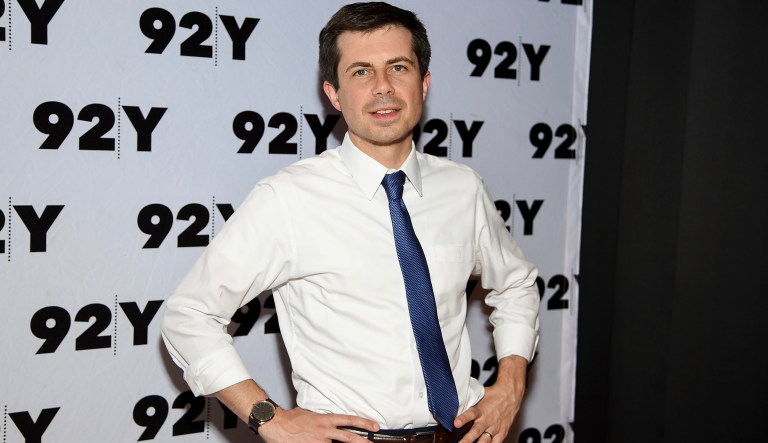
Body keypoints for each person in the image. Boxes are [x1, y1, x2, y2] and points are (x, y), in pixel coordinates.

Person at [161, 2, 540, 442]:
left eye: (399, 67)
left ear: (424, 83)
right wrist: (269, 417)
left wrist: (511, 382)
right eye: (361, 72)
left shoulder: (463, 189)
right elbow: (188, 314)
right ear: (334, 93)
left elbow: (516, 284)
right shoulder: (288, 199)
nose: (383, 87)